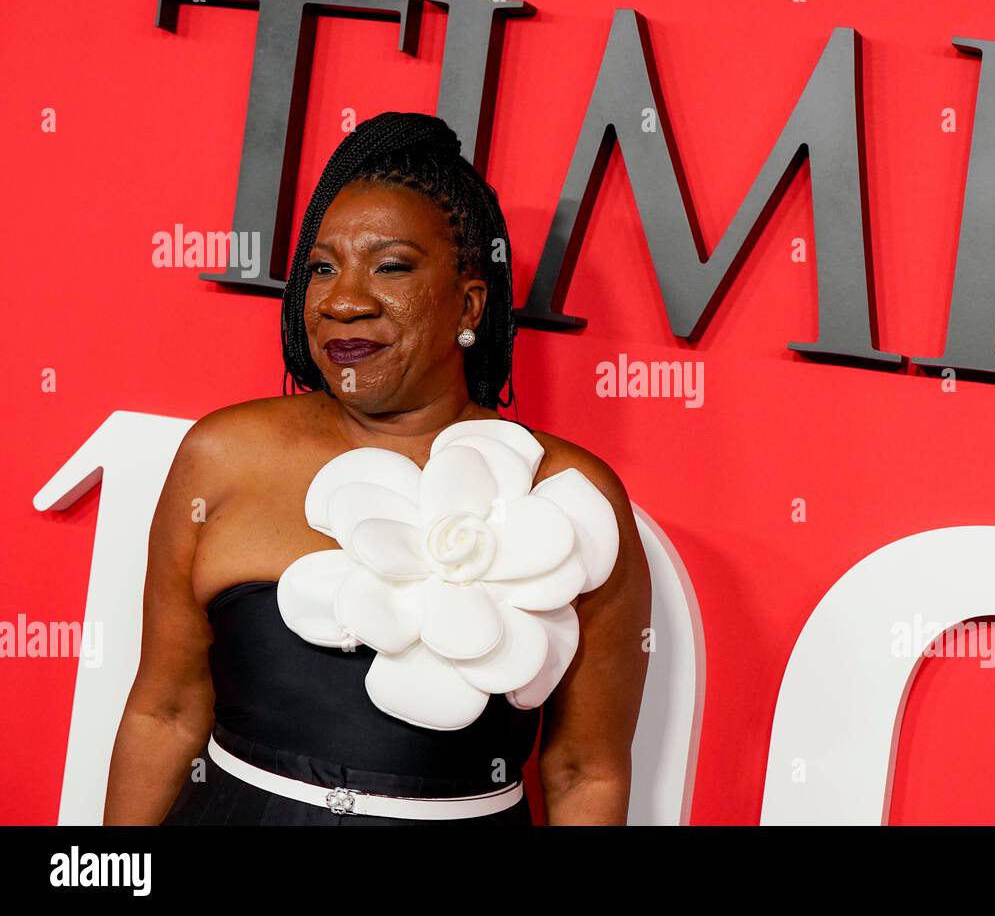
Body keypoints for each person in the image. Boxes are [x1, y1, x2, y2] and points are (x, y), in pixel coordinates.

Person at [103, 112, 652, 825]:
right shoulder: (222, 456)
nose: (342, 299)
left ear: (470, 302)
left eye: (390, 266)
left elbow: (585, 771)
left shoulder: (572, 498)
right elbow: (165, 710)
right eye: (322, 268)